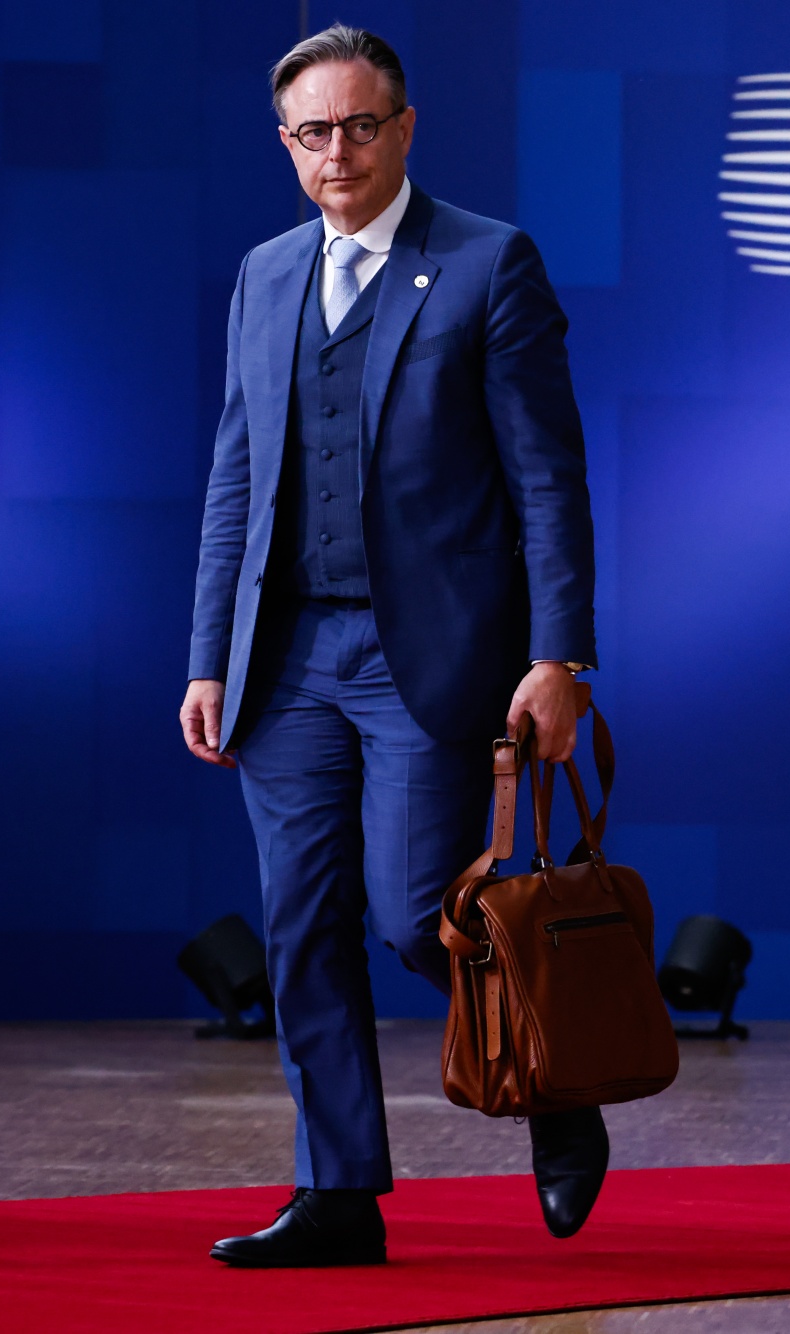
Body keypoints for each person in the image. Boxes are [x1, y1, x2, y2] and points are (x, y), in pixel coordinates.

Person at [179, 25, 602, 1268]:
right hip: (284, 660)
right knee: (300, 927)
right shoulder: (262, 274)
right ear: (285, 145)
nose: (338, 153)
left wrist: (560, 656)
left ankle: (551, 1084)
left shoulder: (485, 264)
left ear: (404, 128)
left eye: (360, 126)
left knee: (426, 914)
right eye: (312, 133)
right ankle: (339, 1194)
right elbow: (234, 481)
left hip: (429, 655)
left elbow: (548, 481)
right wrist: (210, 654)